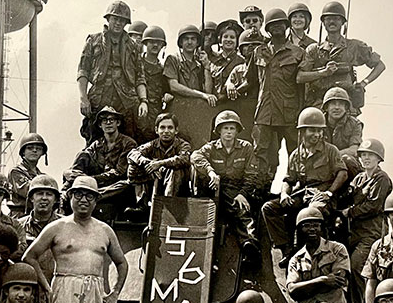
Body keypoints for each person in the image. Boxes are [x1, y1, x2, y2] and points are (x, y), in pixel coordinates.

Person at [23, 176, 129, 303]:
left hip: (94, 289)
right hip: (64, 287)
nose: (84, 200)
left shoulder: (105, 230)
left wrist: (115, 294)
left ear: (96, 200)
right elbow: (29, 256)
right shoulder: (57, 227)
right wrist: (48, 289)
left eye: (89, 196)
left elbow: (122, 263)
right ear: (70, 197)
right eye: (78, 195)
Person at [261, 108, 348, 268]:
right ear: (302, 132)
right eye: (312, 130)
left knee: (311, 213)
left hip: (323, 196)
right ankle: (286, 249)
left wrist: (329, 193)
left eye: (319, 131)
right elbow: (288, 179)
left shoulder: (330, 150)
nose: (317, 134)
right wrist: (284, 194)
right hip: (303, 194)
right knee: (269, 208)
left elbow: (342, 173)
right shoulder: (296, 155)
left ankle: (313, 253)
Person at [228, 8, 305, 185]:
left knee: (296, 153)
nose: (277, 28)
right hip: (265, 112)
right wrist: (232, 90)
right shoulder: (259, 52)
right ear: (267, 29)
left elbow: (302, 86)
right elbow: (250, 81)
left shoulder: (297, 52)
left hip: (290, 113)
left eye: (280, 25)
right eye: (273, 25)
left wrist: (300, 112)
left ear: (286, 27)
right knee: (261, 154)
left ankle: (294, 192)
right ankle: (260, 193)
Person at [191, 111, 260, 265]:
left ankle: (250, 245)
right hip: (212, 188)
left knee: (242, 211)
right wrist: (211, 171)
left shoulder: (246, 148)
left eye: (232, 128)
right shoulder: (211, 148)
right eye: (225, 128)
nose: (229, 132)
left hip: (235, 190)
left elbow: (252, 175)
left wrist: (243, 194)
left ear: (237, 131)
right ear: (219, 131)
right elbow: (195, 156)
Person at [78, 0, 148, 145]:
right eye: (115, 19)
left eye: (122, 20)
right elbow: (82, 71)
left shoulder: (133, 46)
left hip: (126, 100)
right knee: (94, 138)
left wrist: (143, 101)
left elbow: (140, 77)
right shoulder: (93, 40)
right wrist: (83, 98)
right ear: (108, 18)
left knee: (129, 138)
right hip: (99, 97)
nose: (118, 23)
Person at [338, 138, 392, 303]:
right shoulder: (359, 178)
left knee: (356, 270)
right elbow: (348, 195)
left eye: (371, 155)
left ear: (379, 159)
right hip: (354, 233)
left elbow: (373, 206)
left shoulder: (381, 178)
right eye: (363, 155)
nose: (366, 158)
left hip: (371, 235)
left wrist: (349, 212)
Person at [297, 1, 386, 114]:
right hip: (319, 105)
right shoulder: (313, 50)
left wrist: (364, 82)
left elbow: (380, 65)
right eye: (328, 19)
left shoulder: (354, 46)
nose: (332, 21)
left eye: (337, 18)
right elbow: (300, 77)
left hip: (346, 106)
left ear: (343, 22)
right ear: (323, 22)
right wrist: (323, 73)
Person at [286, 207, 352, 303]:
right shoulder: (296, 259)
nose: (312, 229)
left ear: (322, 227)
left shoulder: (337, 249)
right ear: (299, 230)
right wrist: (323, 280)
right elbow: (292, 290)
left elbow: (337, 281)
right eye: (307, 225)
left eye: (316, 225)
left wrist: (305, 288)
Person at [63, 106, 137, 204]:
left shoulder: (128, 143)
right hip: (97, 183)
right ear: (100, 125)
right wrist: (68, 172)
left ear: (118, 123)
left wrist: (90, 179)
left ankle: (93, 195)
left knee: (124, 185)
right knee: (82, 154)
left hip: (115, 185)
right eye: (104, 120)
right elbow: (82, 159)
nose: (108, 123)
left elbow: (119, 172)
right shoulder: (97, 144)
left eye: (111, 120)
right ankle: (64, 193)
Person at [125, 113, 191, 217]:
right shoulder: (152, 144)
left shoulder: (182, 145)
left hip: (179, 186)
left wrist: (160, 163)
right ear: (156, 130)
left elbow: (184, 159)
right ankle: (143, 205)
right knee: (134, 166)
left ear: (176, 130)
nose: (166, 131)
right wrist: (149, 163)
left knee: (174, 170)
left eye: (170, 128)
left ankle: (168, 207)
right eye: (162, 127)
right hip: (157, 180)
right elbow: (132, 154)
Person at [18, 174, 63, 293]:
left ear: (55, 199)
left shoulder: (65, 226)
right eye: (39, 194)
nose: (44, 198)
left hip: (57, 288)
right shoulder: (18, 226)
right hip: (27, 290)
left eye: (49, 194)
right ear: (32, 198)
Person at [163, 24, 216, 107]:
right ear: (181, 42)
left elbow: (208, 92)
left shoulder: (199, 64)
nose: (190, 42)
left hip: (196, 108)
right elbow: (174, 86)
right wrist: (201, 95)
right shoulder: (173, 59)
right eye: (186, 39)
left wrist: (206, 67)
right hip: (178, 106)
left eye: (193, 39)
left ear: (198, 42)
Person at [138, 25, 170, 143]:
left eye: (158, 43)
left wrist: (167, 95)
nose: (155, 45)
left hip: (155, 114)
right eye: (152, 42)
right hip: (137, 110)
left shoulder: (163, 70)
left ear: (162, 46)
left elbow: (167, 90)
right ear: (146, 43)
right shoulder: (136, 65)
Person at [322, 87, 363, 177]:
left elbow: (353, 150)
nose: (337, 107)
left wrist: (331, 157)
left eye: (340, 104)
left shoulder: (355, 124)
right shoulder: (318, 123)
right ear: (326, 107)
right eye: (333, 104)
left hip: (345, 165)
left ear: (346, 108)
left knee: (347, 159)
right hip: (322, 164)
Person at [8, 133, 48, 218]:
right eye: (30, 148)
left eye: (38, 148)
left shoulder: (42, 175)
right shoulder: (16, 171)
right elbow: (28, 191)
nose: (34, 150)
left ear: (42, 153)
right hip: (20, 215)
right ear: (23, 152)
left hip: (39, 215)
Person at [210, 19, 244, 100]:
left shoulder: (242, 61)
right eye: (225, 37)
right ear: (220, 40)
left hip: (236, 103)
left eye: (232, 37)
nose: (228, 40)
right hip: (215, 104)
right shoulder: (212, 61)